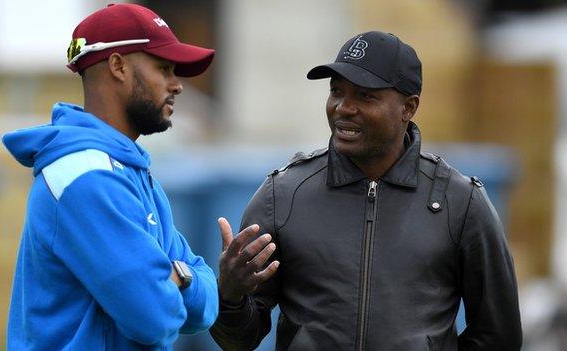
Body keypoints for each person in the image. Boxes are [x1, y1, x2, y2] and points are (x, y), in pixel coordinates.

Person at [210, 31, 522, 350]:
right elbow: (238, 341)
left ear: (408, 107)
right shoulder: (283, 194)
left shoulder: (461, 202)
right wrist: (230, 297)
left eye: (364, 96)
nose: (343, 108)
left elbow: (498, 336)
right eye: (336, 92)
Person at [1, 4, 218, 350]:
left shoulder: (133, 173)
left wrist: (178, 277)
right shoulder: (85, 178)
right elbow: (155, 319)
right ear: (117, 66)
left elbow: (205, 309)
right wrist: (176, 277)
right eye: (163, 68)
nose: (177, 85)